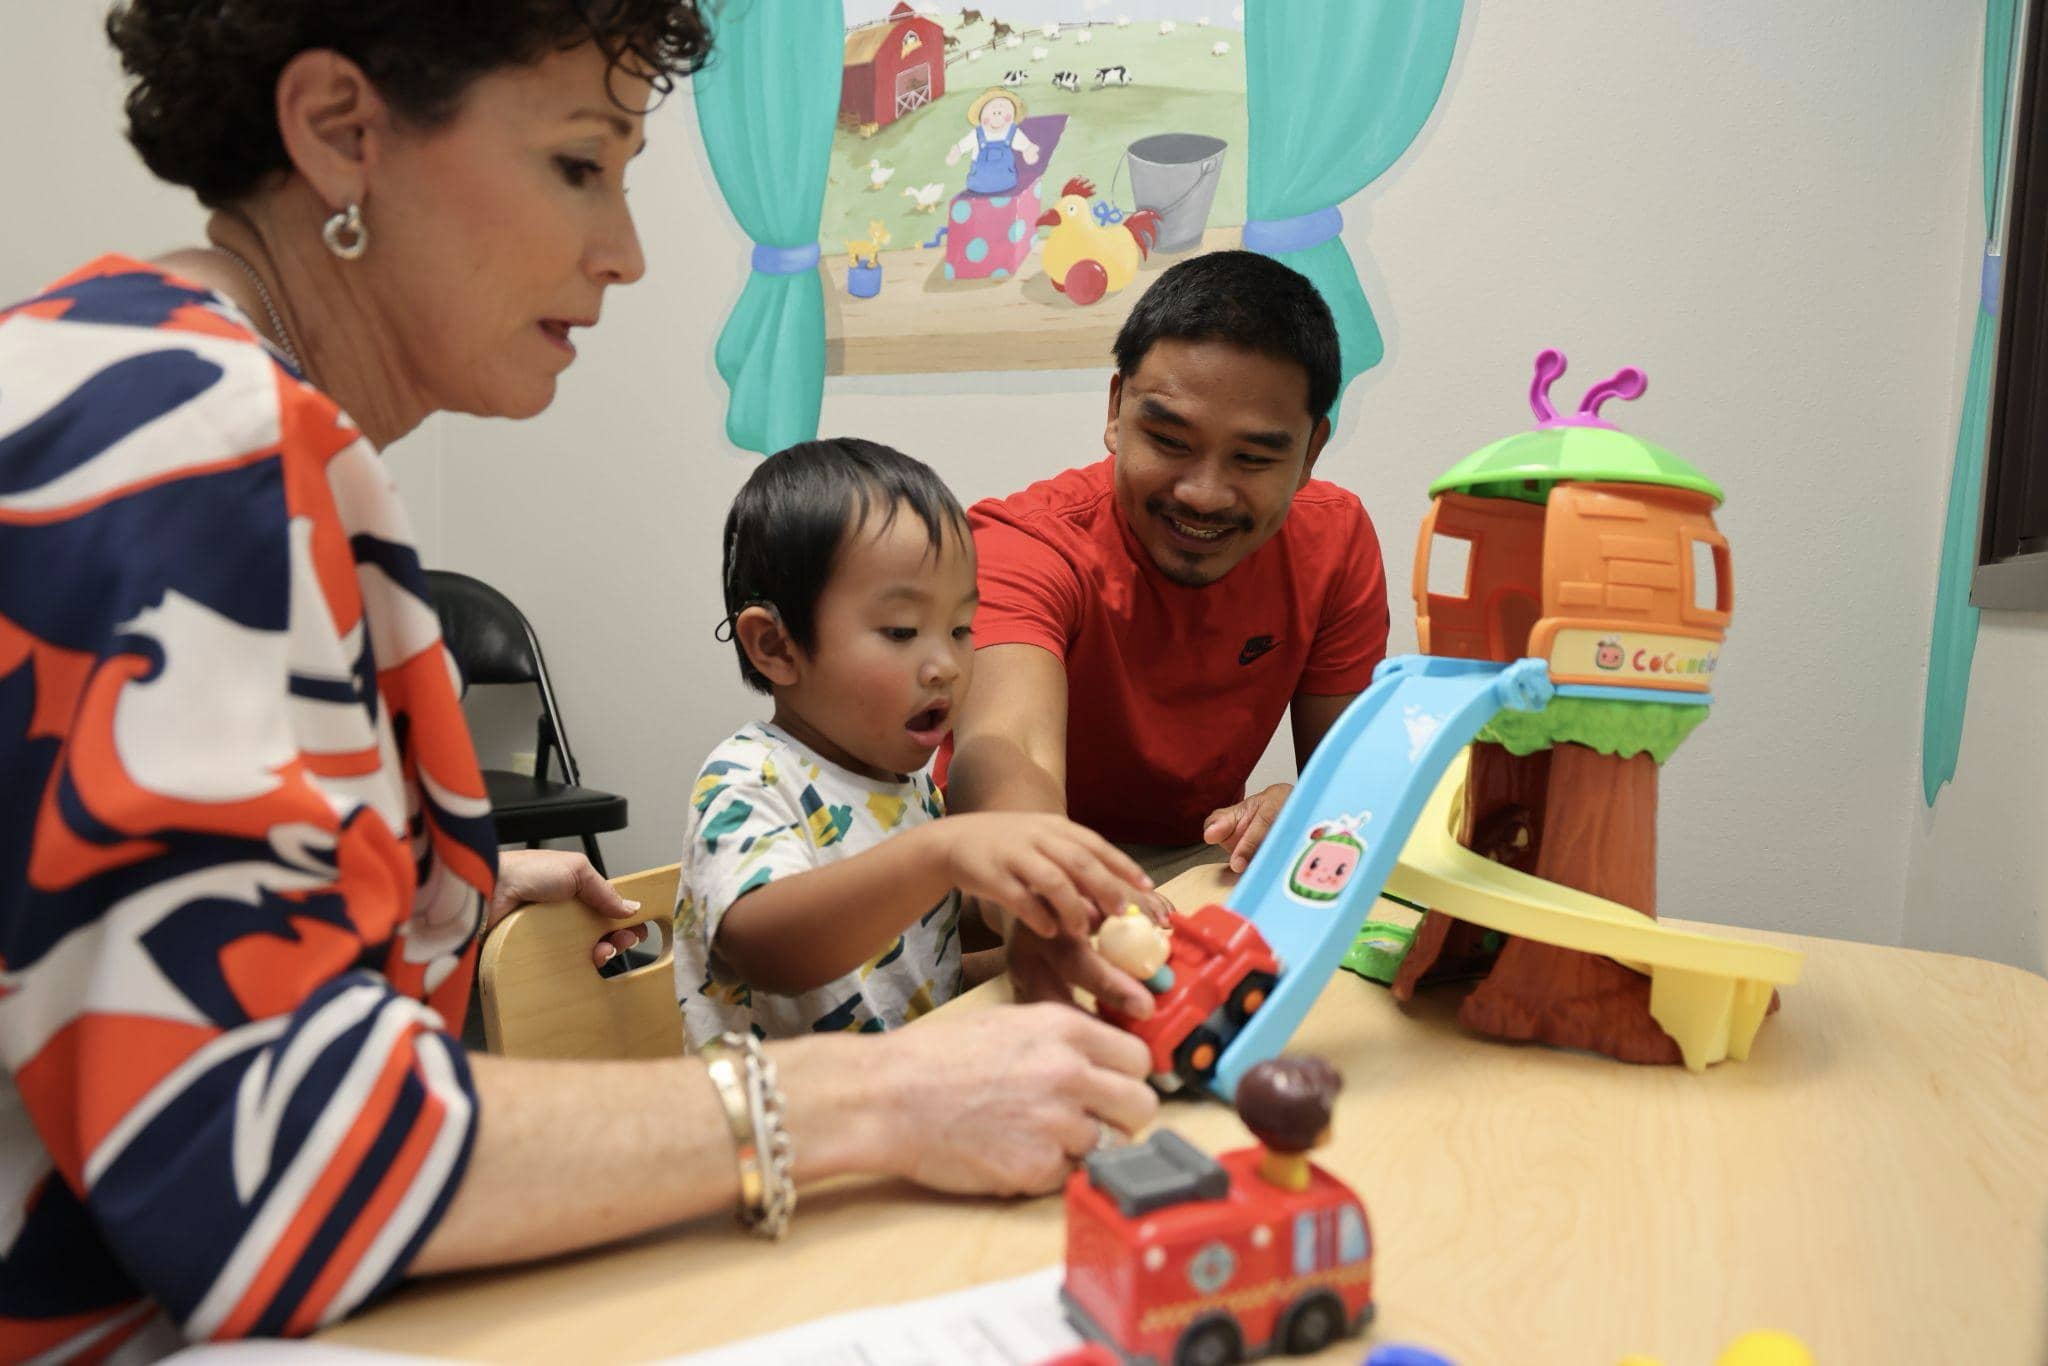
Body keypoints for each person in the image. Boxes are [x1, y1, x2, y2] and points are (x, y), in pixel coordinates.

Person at [0, 6, 1156, 1357]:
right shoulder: (186, 444)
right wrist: (875, 1095)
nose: (626, 252)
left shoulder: (149, 388)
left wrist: (441, 880)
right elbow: (263, 1159)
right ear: (338, 133)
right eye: (578, 166)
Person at [943, 250, 1390, 1008]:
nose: (1203, 493)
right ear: (1116, 411)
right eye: (1171, 441)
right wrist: (1055, 887)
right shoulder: (1026, 545)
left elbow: (1356, 790)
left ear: (1311, 452)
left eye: (1253, 457)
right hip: (1010, 889)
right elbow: (1004, 747)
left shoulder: (1334, 541)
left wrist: (1306, 813)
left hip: (1193, 875)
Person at [676, 439, 1154, 1045]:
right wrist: (943, 852)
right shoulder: (751, 779)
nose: (946, 666)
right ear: (775, 646)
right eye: (902, 631)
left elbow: (911, 978)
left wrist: (1059, 933)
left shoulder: (909, 792)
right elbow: (767, 951)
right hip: (788, 1123)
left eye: (960, 628)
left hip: (912, 1095)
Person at [945, 88, 1040, 197]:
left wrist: (1029, 151)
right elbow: (961, 147)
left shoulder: (1013, 132)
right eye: (992, 112)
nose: (996, 115)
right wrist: (955, 153)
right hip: (978, 184)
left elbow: (1025, 146)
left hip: (1007, 182)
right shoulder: (977, 134)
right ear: (981, 117)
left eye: (1001, 111)